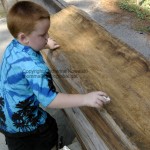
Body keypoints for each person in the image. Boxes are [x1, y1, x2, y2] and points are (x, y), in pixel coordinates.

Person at [0, 1, 110, 150]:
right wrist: (85, 98)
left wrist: (46, 44)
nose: (48, 36)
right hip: (26, 125)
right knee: (49, 129)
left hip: (5, 117)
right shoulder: (34, 67)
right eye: (43, 34)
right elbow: (50, 100)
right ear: (24, 37)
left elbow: (30, 46)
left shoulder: (14, 46)